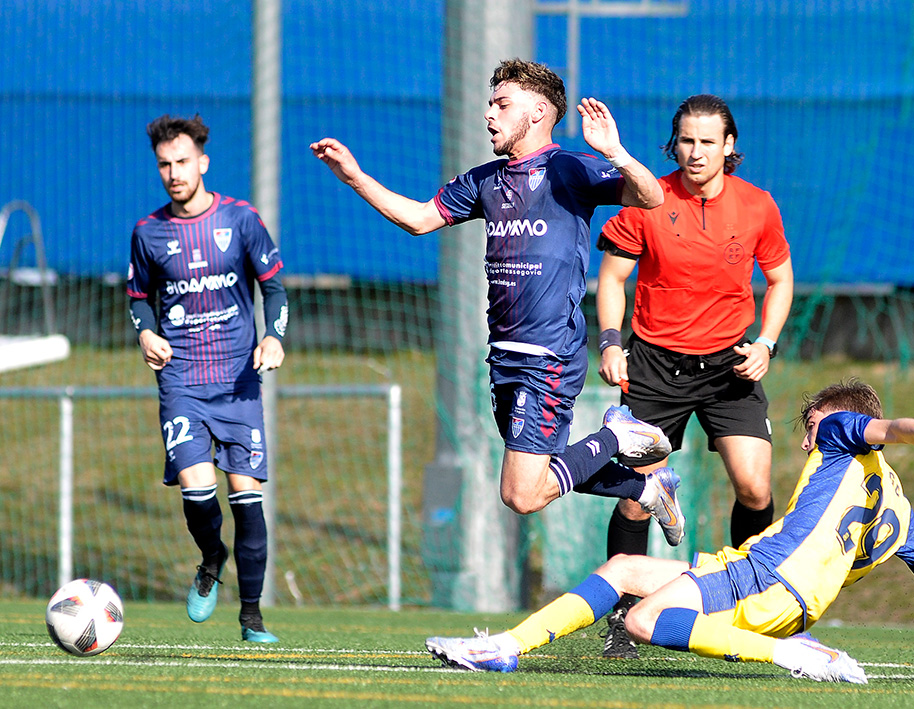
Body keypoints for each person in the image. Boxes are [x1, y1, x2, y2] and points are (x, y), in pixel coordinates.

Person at [310, 59, 685, 542]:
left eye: (502, 104)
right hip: (503, 355)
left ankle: (619, 434)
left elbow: (650, 197)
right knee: (546, 470)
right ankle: (651, 489)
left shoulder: (568, 168)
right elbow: (421, 220)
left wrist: (616, 152)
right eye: (489, 104)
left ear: (537, 113)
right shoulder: (485, 180)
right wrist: (355, 177)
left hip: (549, 353)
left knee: (521, 494)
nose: (489, 114)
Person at [426, 379, 914, 686]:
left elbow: (890, 428)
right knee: (623, 572)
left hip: (767, 576)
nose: (808, 440)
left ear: (836, 422)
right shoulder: (899, 509)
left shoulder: (843, 431)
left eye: (810, 427)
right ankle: (506, 647)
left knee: (643, 620)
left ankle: (794, 656)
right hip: (785, 594)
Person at [594, 94, 794, 656]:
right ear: (673, 144)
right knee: (637, 498)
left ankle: (749, 607)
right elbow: (611, 281)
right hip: (655, 366)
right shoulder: (645, 199)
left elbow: (780, 280)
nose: (696, 152)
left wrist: (767, 345)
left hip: (730, 364)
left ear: (729, 147)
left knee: (755, 489)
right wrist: (611, 344)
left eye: (708, 141)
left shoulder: (758, 206)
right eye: (686, 140)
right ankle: (623, 618)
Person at [127, 114, 288, 643]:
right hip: (182, 383)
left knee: (246, 497)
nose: (173, 173)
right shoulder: (148, 232)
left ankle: (251, 617)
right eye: (164, 165)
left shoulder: (240, 219)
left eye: (181, 162)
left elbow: (276, 290)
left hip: (239, 382)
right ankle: (211, 555)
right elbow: (137, 300)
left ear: (203, 163)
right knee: (198, 494)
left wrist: (274, 337)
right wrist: (146, 333)